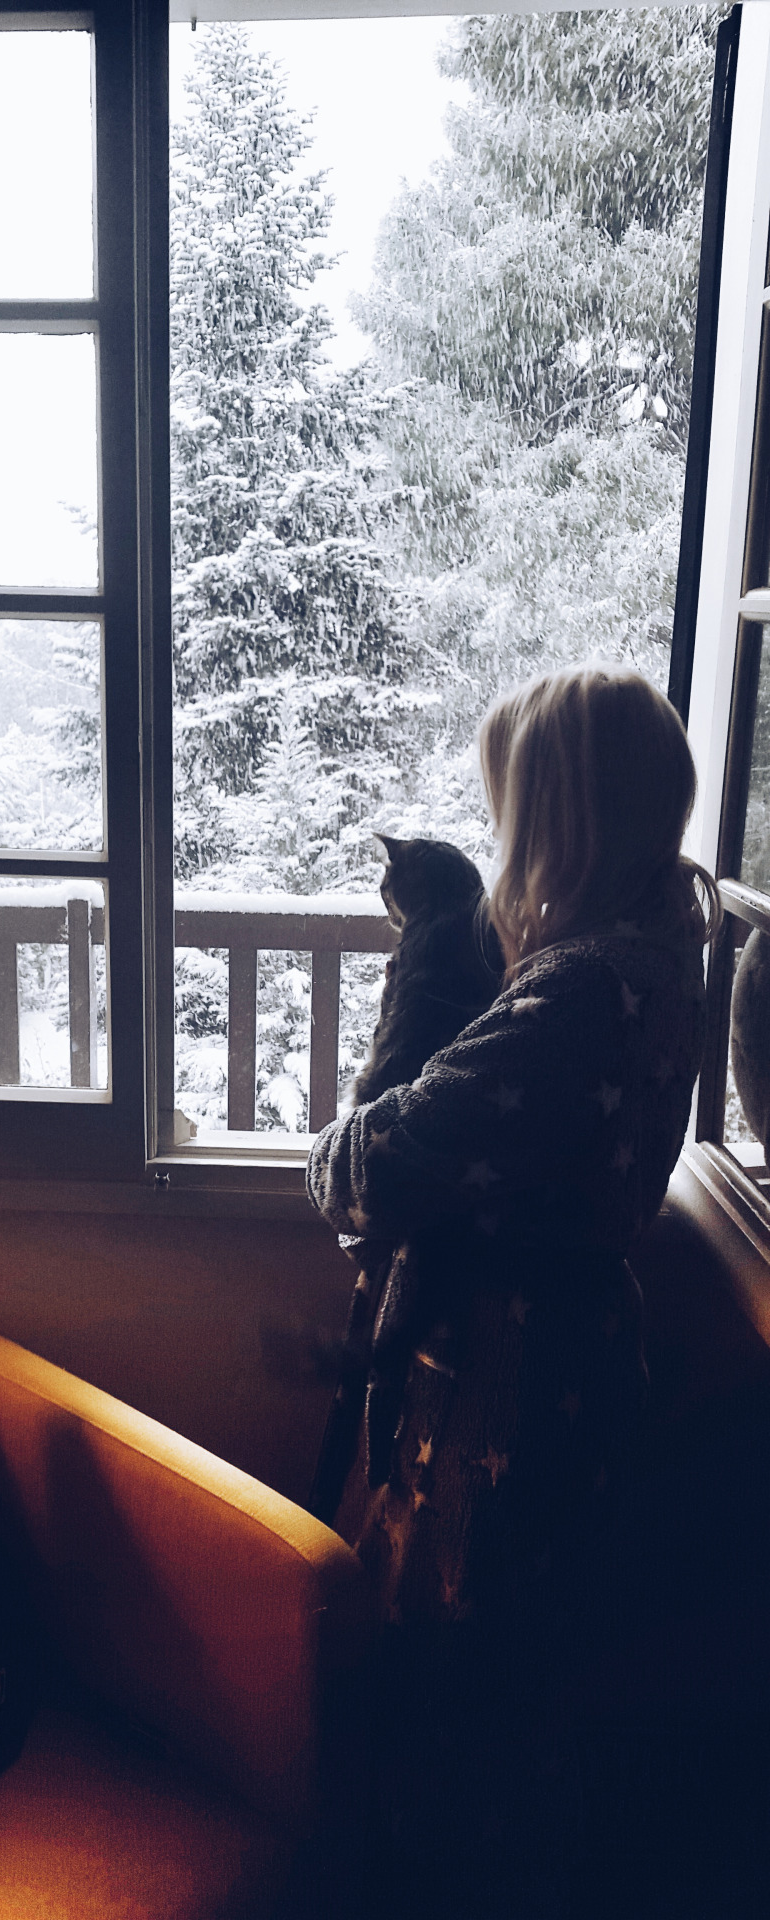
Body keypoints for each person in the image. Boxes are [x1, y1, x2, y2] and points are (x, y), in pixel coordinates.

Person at [306, 666, 717, 1919]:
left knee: (458, 1683)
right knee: (533, 1680)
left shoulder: (578, 992)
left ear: (559, 821)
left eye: (512, 812)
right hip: (578, 1357)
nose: (501, 843)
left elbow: (376, 1167)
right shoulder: (666, 955)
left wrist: (330, 1147)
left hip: (504, 1387)